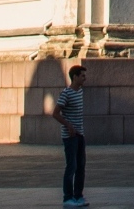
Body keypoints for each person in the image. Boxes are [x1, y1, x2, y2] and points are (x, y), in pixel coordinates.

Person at [53, 62, 88, 209]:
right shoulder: (66, 93)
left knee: (81, 166)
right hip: (70, 136)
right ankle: (67, 197)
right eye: (82, 76)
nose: (85, 79)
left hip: (80, 134)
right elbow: (55, 113)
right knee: (71, 166)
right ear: (75, 77)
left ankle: (78, 195)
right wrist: (68, 125)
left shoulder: (80, 91)